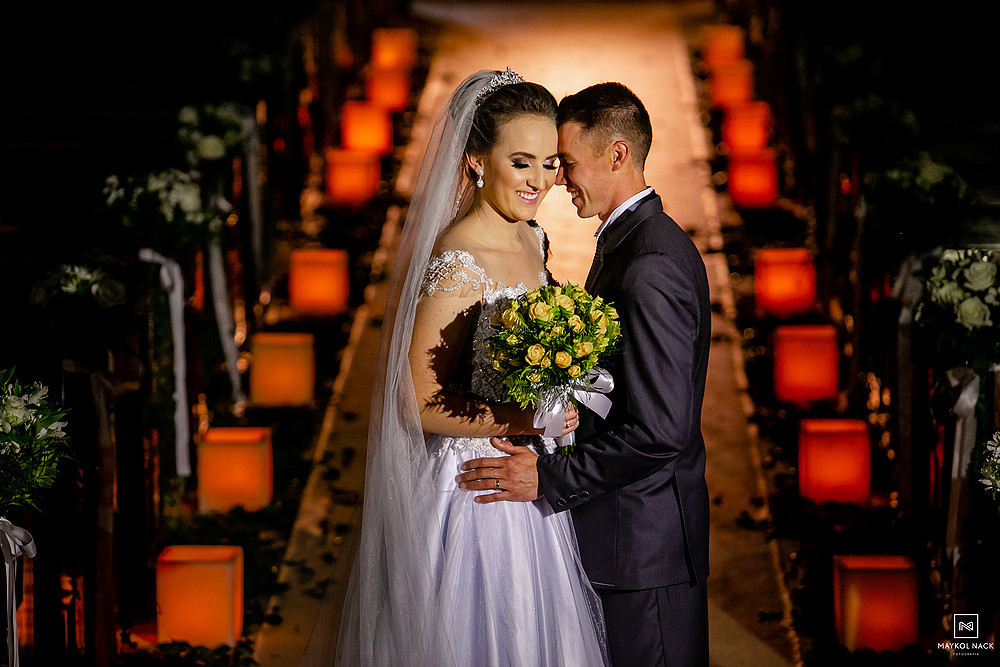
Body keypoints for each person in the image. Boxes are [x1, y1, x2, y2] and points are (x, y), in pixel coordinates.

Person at [300, 69, 609, 666]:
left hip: (522, 476)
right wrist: (534, 415)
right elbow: (415, 403)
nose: (540, 181)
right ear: (474, 161)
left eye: (550, 163)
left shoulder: (532, 238)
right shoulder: (459, 258)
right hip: (476, 490)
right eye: (521, 163)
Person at [457, 82, 711, 666]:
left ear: (617, 154)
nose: (558, 180)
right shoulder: (634, 242)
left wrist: (550, 478)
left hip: (643, 548)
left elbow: (661, 430)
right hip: (631, 538)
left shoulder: (649, 265)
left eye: (567, 163)